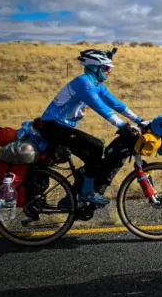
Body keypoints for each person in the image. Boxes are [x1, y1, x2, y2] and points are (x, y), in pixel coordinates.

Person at [37, 48, 148, 205]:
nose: (109, 72)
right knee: (96, 146)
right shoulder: (84, 83)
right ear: (95, 67)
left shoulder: (96, 84)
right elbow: (100, 107)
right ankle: (87, 192)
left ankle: (80, 188)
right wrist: (122, 125)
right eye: (106, 68)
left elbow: (115, 103)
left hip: (61, 127)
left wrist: (139, 119)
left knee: (93, 153)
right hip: (53, 127)